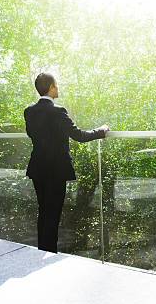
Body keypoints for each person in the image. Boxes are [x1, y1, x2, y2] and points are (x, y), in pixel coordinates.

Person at [24, 72, 109, 253]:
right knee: (53, 213)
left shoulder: (29, 111)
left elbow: (32, 134)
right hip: (56, 170)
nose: (58, 88)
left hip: (38, 168)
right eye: (57, 85)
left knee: (44, 211)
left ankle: (43, 249)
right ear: (51, 87)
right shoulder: (58, 111)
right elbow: (79, 135)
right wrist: (101, 131)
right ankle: (49, 251)